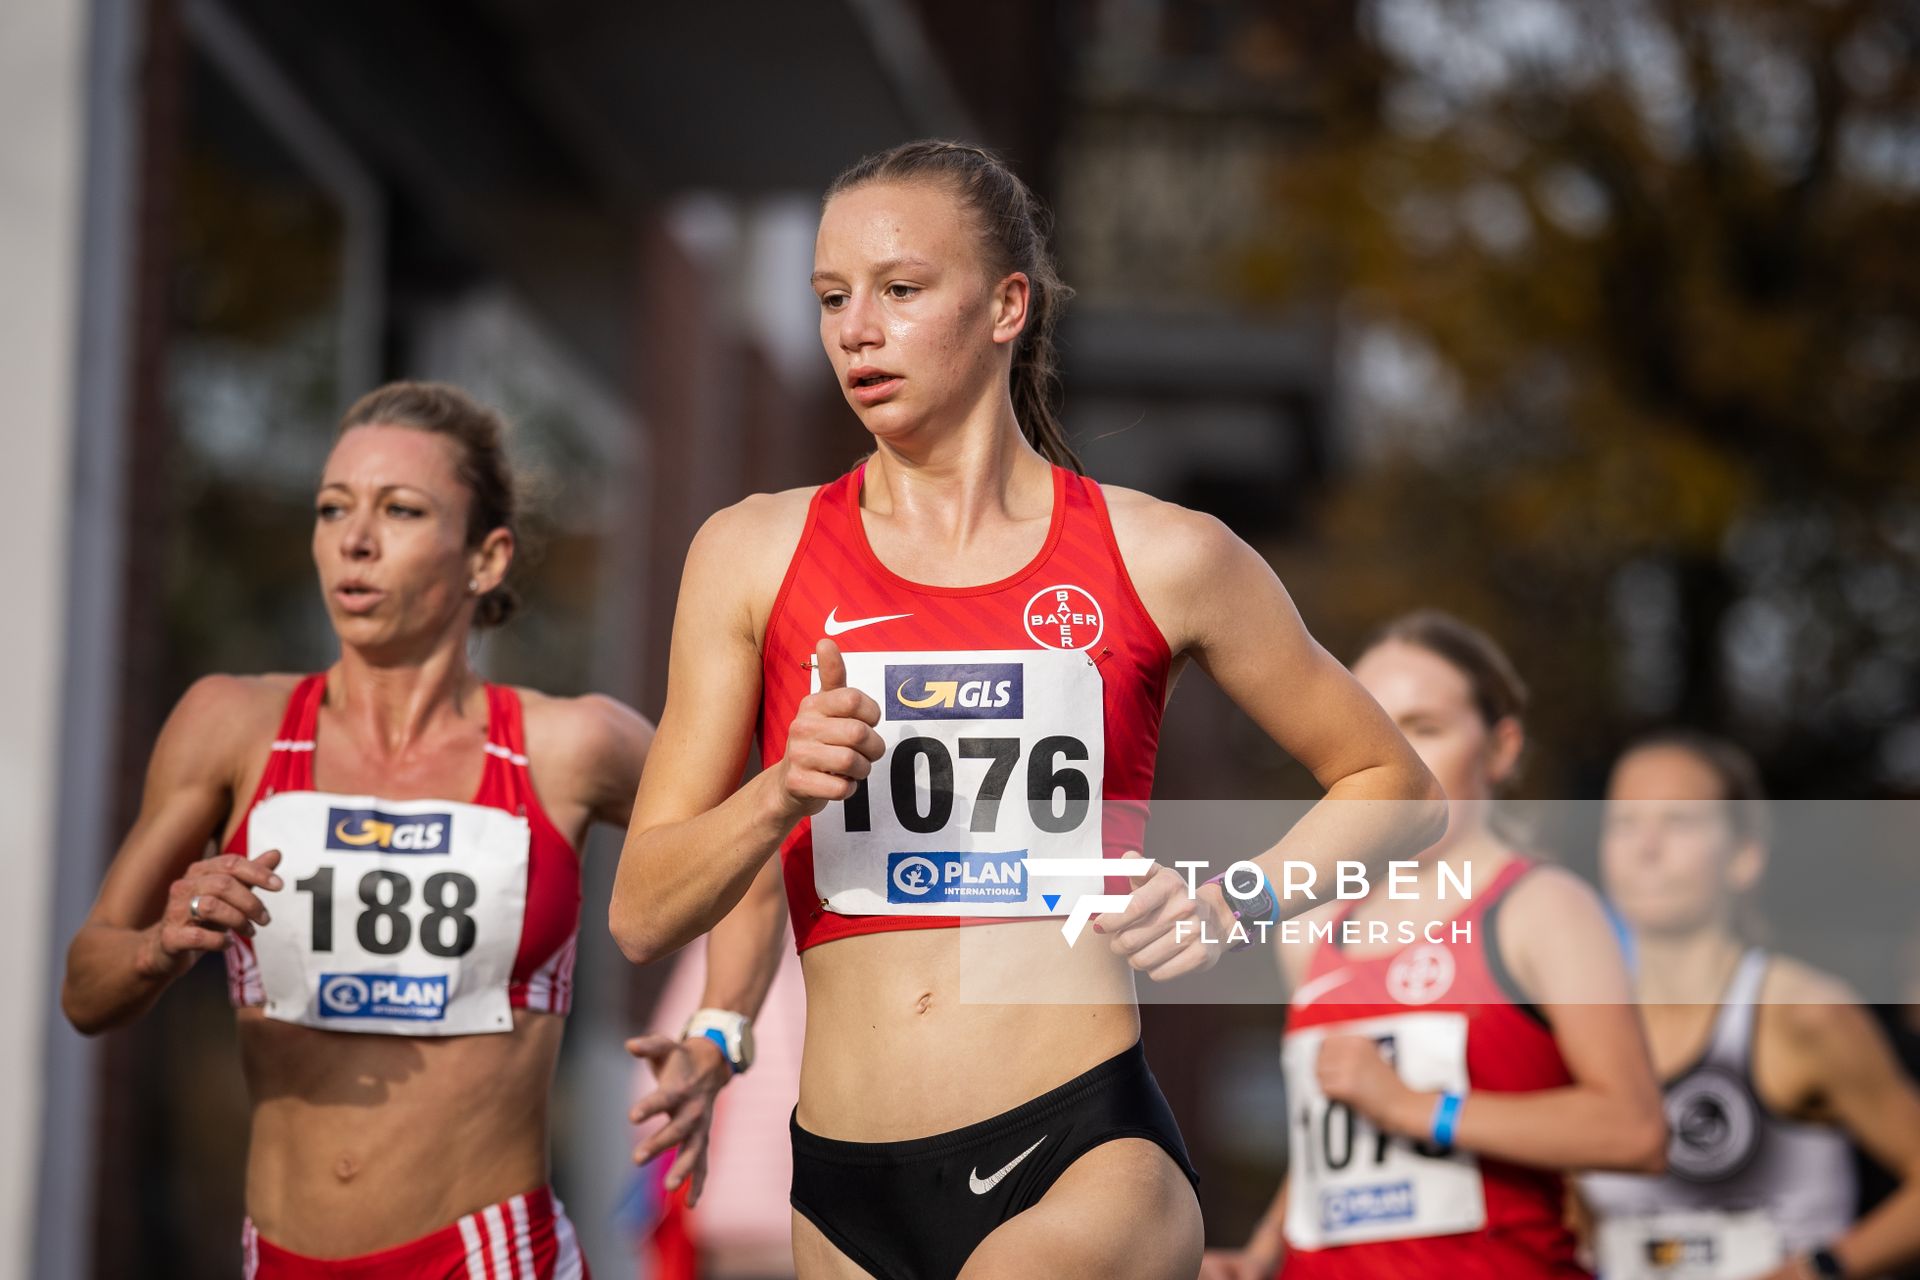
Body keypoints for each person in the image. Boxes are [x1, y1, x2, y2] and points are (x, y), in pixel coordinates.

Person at [609, 139, 1447, 1280]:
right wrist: (775, 795)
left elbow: (1395, 784)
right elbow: (644, 907)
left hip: (1076, 1147)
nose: (857, 327)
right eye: (831, 297)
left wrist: (1230, 903)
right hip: (846, 1182)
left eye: (901, 291)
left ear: (1007, 304)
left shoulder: (1164, 554)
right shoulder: (751, 551)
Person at [60, 382, 755, 1277]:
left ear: (486, 558)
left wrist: (718, 1037)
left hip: (489, 1254)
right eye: (332, 508)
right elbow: (86, 984)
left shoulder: (570, 743)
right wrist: (161, 941)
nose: (354, 540)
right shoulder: (230, 723)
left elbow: (758, 848)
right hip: (280, 1257)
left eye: (400, 509)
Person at [1203, 610, 1668, 1280]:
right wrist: (1259, 1255)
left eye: (1425, 728)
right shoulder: (1313, 926)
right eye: (1375, 729)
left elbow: (1636, 1131)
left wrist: (1417, 1109)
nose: (1399, 758)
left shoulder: (1542, 908)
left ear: (1501, 748)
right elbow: (1331, 1137)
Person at [1580, 729, 1920, 1280]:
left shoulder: (1802, 1012)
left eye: (1680, 821)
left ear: (1744, 856)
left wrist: (1822, 1267)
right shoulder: (1572, 1025)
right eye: (1624, 822)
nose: (1646, 846)